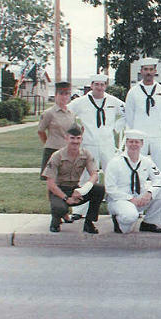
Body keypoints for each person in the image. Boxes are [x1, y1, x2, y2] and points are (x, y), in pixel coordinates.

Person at [68, 74, 125, 219]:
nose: (99, 88)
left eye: (102, 85)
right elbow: (67, 113)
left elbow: (127, 113)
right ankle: (79, 210)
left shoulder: (112, 101)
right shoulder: (81, 102)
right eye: (96, 84)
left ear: (106, 86)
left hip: (107, 144)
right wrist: (76, 128)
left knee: (111, 174)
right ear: (91, 85)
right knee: (86, 176)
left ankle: (116, 207)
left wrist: (115, 128)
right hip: (88, 144)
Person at [41, 124, 105, 234]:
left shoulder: (85, 154)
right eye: (72, 138)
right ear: (66, 138)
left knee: (99, 189)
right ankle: (56, 219)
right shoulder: (57, 156)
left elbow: (94, 174)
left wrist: (82, 190)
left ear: (81, 139)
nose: (75, 141)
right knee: (60, 208)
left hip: (75, 190)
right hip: (58, 191)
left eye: (78, 138)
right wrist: (66, 198)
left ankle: (89, 223)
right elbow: (50, 184)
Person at [105, 130, 161, 234]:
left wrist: (149, 193)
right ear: (126, 143)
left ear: (142, 144)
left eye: (137, 142)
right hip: (120, 200)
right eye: (131, 142)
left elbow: (159, 179)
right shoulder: (115, 162)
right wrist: (131, 199)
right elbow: (110, 189)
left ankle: (149, 223)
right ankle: (118, 218)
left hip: (140, 198)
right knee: (129, 221)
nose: (134, 145)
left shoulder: (147, 161)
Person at [124, 59, 161, 173]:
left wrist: (160, 127)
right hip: (140, 134)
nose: (148, 72)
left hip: (157, 134)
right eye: (145, 69)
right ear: (141, 71)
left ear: (155, 71)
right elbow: (129, 114)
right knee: (138, 165)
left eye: (151, 69)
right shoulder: (133, 92)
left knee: (160, 166)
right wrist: (135, 131)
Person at [38, 81, 76, 180]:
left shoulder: (71, 113)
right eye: (61, 94)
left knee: (66, 181)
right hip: (52, 150)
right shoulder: (49, 113)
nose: (64, 97)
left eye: (67, 94)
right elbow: (41, 131)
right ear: (55, 95)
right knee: (51, 182)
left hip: (67, 151)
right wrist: (48, 143)